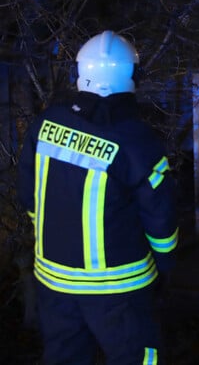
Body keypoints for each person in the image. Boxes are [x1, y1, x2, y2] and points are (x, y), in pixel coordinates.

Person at [17, 30, 179, 364]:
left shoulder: (46, 123)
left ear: (80, 72)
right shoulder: (136, 141)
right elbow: (161, 222)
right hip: (118, 288)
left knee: (64, 357)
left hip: (53, 280)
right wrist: (164, 269)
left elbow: (30, 196)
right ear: (132, 76)